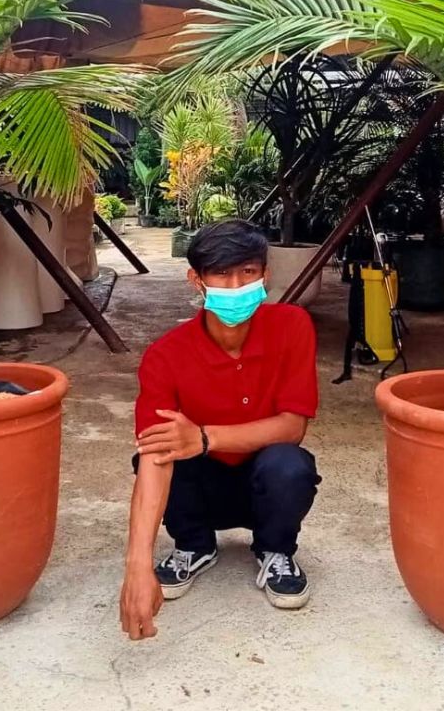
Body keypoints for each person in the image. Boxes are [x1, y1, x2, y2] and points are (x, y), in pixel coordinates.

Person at [119, 218, 320, 641]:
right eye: (221, 274)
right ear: (196, 280)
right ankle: (194, 544)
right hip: (200, 488)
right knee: (158, 450)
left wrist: (205, 437)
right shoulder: (165, 356)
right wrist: (137, 566)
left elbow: (293, 426)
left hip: (262, 486)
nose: (236, 285)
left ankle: (275, 549)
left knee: (290, 463)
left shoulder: (293, 326)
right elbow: (156, 456)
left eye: (248, 272)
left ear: (265, 275)